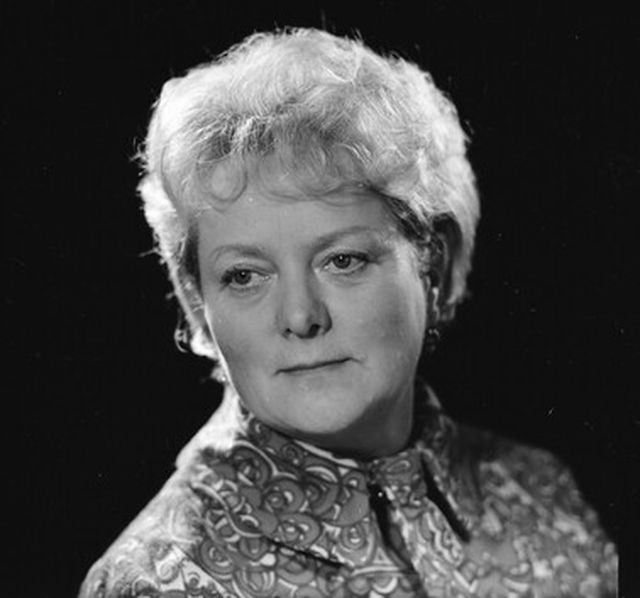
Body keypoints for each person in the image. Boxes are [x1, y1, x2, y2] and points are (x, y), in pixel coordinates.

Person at [79, 28, 617, 598]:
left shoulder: (543, 495)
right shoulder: (161, 580)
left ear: (434, 263)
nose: (300, 317)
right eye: (244, 275)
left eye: (342, 261)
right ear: (195, 301)